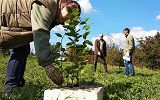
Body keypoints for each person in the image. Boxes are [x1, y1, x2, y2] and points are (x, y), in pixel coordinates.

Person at [0, 0, 81, 92]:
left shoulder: (55, 12)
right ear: (63, 4)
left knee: (22, 49)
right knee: (21, 50)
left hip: (14, 22)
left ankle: (16, 84)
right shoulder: (47, 5)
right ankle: (11, 86)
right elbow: (40, 32)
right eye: (68, 13)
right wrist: (47, 64)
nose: (64, 21)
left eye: (68, 19)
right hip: (3, 13)